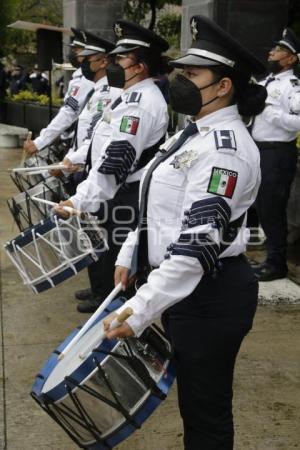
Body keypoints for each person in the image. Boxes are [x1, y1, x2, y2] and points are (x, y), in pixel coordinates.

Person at [102, 15, 267, 450]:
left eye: (192, 74)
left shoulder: (224, 153)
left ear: (224, 85)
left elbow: (195, 245)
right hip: (182, 290)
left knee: (205, 411)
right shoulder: (192, 134)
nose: (179, 81)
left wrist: (140, 308)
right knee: (193, 406)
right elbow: (157, 205)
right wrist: (130, 254)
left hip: (211, 297)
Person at [56, 20, 169, 313]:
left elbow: (114, 163)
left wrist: (79, 200)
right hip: (115, 190)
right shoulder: (129, 96)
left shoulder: (140, 103)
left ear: (140, 65)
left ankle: (114, 313)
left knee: (120, 264)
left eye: (121, 57)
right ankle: (105, 301)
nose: (114, 62)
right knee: (106, 251)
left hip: (125, 192)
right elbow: (102, 144)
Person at [251, 28, 300, 281]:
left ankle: (277, 263)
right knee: (262, 206)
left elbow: (298, 121)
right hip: (258, 151)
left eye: (279, 50)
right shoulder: (264, 82)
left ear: (291, 58)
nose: (272, 52)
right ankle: (271, 257)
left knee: (272, 208)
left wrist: (271, 115)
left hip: (277, 153)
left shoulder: (293, 86)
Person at [23, 28, 94, 155]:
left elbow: (68, 113)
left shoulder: (85, 80)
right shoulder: (81, 76)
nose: (72, 53)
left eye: (77, 49)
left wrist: (40, 141)